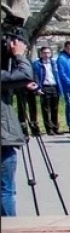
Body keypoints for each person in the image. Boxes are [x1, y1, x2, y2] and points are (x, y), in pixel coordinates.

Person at [1, 26, 35, 216]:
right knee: (6, 189)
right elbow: (24, 74)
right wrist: (20, 56)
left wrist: (15, 85)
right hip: (3, 138)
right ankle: (11, 228)